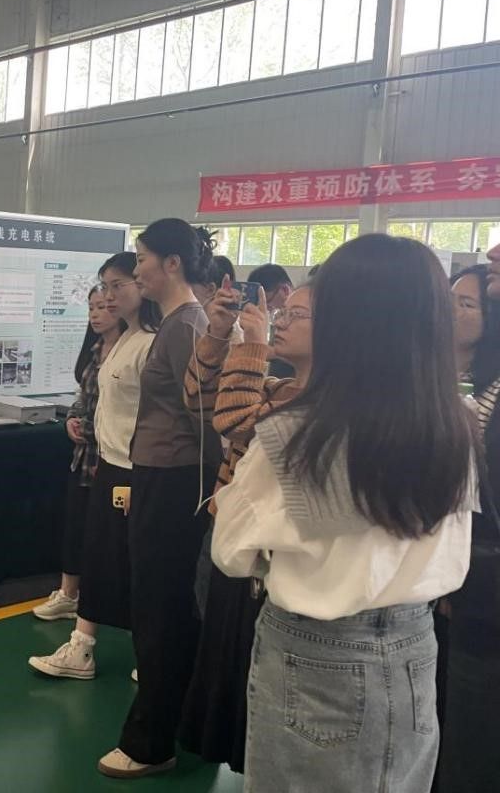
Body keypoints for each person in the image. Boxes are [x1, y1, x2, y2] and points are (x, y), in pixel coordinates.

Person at [212, 234, 477, 793]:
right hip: (415, 647)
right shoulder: (455, 425)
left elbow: (231, 552)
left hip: (315, 655)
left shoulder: (298, 435)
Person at [98, 221, 222, 780]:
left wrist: (209, 484)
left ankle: (151, 741)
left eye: (143, 258)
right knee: (157, 607)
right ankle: (176, 723)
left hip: (175, 483)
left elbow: (206, 418)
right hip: (159, 475)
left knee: (161, 610)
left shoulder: (187, 326)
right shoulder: (174, 323)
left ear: (173, 264)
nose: (137, 269)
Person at [178, 276, 313, 773]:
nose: (281, 320)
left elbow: (235, 420)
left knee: (248, 668)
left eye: (298, 315)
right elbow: (198, 397)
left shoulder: (313, 404)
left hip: (265, 559)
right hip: (229, 531)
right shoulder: (280, 386)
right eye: (284, 311)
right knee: (222, 650)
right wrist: (218, 332)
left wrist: (253, 345)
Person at [30, 253, 160, 673]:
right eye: (104, 288)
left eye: (117, 285)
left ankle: (151, 656)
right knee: (101, 557)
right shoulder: (122, 341)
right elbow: (99, 404)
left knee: (138, 564)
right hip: (107, 463)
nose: (108, 297)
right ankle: (81, 646)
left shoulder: (154, 341)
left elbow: (158, 415)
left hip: (138, 470)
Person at [439, 257, 500, 793]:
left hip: (478, 577)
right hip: (434, 567)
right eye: (449, 299)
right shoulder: (422, 375)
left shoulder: (491, 393)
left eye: (466, 303)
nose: (451, 311)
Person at [33, 282, 123, 621]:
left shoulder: (130, 351)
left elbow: (121, 412)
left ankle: (97, 603)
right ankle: (69, 593)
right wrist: (72, 418)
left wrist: (86, 429)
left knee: (104, 536)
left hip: (110, 457)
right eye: (92, 308)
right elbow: (83, 397)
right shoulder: (95, 349)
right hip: (83, 458)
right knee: (75, 527)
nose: (96, 314)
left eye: (104, 307)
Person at [248, 265, 296, 379]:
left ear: (285, 290)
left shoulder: (303, 316)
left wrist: (271, 352)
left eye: (267, 302)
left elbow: (311, 354)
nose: (267, 310)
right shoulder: (278, 315)